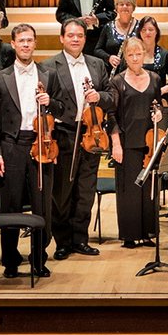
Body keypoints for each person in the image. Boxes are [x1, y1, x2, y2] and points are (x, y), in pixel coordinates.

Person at [41, 19, 114, 259]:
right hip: (64, 135)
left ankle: (80, 239)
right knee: (62, 192)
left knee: (86, 190)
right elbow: (46, 103)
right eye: (70, 35)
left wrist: (99, 97)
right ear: (62, 38)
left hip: (92, 134)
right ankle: (62, 241)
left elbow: (111, 96)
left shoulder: (96, 64)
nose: (75, 39)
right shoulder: (49, 66)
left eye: (80, 35)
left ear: (85, 38)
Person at [0, 23, 54, 278]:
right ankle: (10, 261)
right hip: (11, 147)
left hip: (41, 146)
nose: (26, 45)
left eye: (30, 40)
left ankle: (39, 258)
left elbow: (61, 109)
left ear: (35, 43)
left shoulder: (48, 75)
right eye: (21, 41)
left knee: (41, 205)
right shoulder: (0, 78)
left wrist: (51, 103)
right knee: (11, 205)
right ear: (13, 44)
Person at [107, 38, 165, 248]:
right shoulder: (117, 82)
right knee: (129, 190)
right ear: (125, 56)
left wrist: (159, 113)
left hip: (149, 141)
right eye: (130, 55)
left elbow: (159, 105)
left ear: (144, 54)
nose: (134, 58)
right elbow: (111, 115)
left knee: (149, 189)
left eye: (138, 53)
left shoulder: (155, 78)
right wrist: (115, 143)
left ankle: (148, 232)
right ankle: (130, 235)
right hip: (126, 142)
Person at [93, 0, 141, 69]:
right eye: (121, 4)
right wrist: (109, 57)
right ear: (116, 8)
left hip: (134, 72)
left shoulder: (140, 27)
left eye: (128, 4)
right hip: (112, 73)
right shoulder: (108, 26)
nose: (124, 7)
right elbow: (97, 50)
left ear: (133, 8)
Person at [133, 15, 168, 97]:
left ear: (156, 32)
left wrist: (164, 89)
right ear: (139, 32)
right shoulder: (133, 54)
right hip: (136, 98)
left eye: (151, 29)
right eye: (144, 30)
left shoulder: (166, 54)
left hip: (159, 98)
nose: (147, 33)